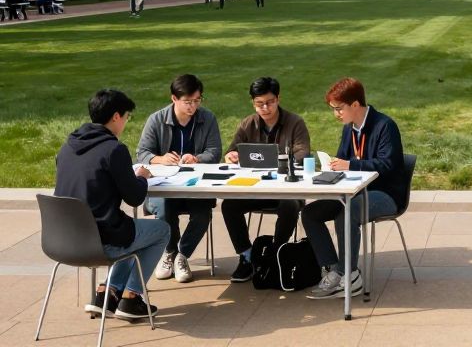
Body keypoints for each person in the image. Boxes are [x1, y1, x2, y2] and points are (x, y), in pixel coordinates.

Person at [56, 89, 169, 321]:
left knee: (131, 230)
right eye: (127, 117)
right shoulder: (114, 150)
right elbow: (136, 198)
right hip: (101, 241)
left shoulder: (67, 146)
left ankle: (106, 294)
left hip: (63, 239)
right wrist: (142, 177)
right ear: (116, 116)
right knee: (160, 230)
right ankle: (131, 298)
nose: (126, 122)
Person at [303, 78, 405, 299]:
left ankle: (349, 275)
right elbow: (345, 159)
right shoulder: (349, 129)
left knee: (346, 214)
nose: (336, 114)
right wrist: (333, 166)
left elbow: (388, 165)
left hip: (386, 193)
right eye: (334, 109)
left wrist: (350, 165)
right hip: (354, 191)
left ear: (356, 105)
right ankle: (333, 271)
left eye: (339, 109)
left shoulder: (385, 126)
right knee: (310, 213)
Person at [222, 77, 310, 282]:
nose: (265, 108)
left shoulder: (295, 122)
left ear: (278, 99)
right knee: (229, 206)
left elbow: (303, 153)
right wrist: (231, 156)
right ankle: (246, 256)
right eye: (259, 103)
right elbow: (232, 151)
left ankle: (276, 252)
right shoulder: (248, 123)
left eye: (269, 102)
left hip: (286, 190)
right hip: (255, 189)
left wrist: (276, 162)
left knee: (290, 206)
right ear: (253, 103)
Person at [136, 74, 221, 284]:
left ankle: (182, 254)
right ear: (174, 98)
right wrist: (160, 158)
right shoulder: (156, 119)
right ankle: (169, 252)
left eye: (197, 100)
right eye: (187, 102)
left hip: (196, 184)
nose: (192, 106)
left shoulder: (207, 118)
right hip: (164, 185)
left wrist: (197, 158)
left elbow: (215, 151)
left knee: (203, 213)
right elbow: (142, 152)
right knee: (165, 209)